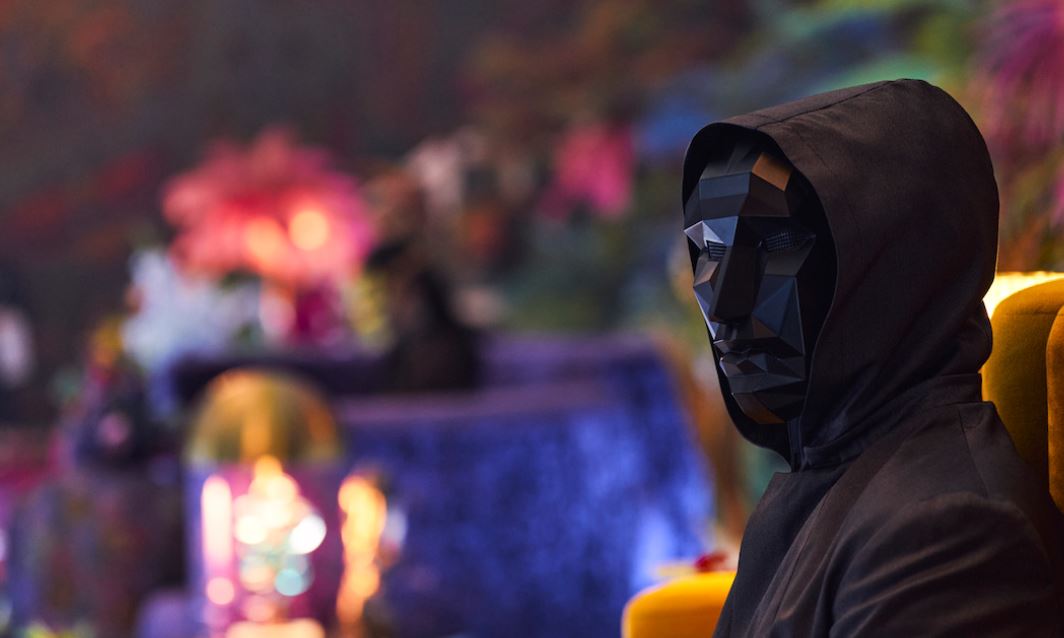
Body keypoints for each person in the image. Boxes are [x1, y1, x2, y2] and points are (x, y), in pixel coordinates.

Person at [682, 79, 1064, 636]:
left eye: (771, 247)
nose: (720, 302)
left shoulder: (951, 532)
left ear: (899, 260)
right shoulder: (826, 482)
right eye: (707, 251)